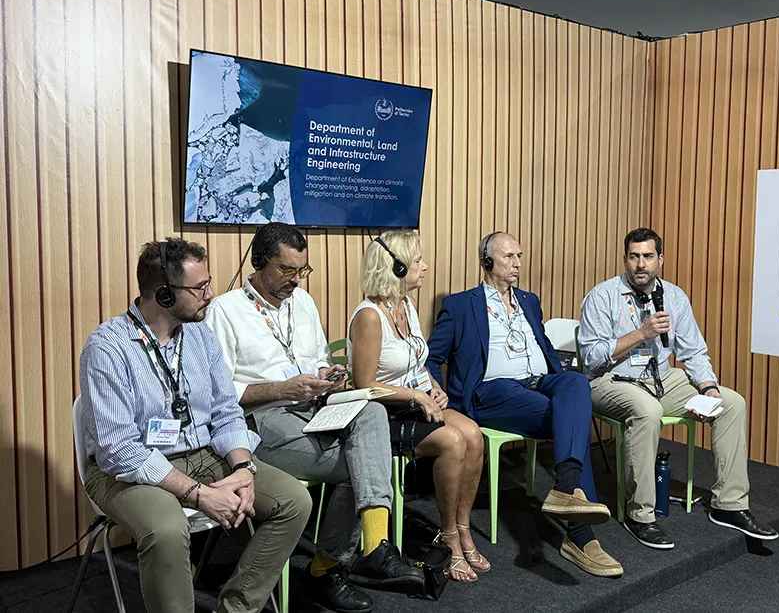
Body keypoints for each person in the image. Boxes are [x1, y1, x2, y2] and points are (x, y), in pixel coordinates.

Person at [78, 238, 310, 613]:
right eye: (200, 287)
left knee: (293, 501)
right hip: (125, 471)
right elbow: (118, 448)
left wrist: (242, 468)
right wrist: (198, 494)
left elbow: (225, 411)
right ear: (165, 295)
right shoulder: (108, 348)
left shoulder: (201, 335)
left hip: (202, 454)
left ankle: (236, 608)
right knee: (168, 530)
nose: (211, 294)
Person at [205, 223, 423, 613]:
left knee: (371, 408)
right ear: (258, 262)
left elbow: (320, 359)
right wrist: (282, 388)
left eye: (302, 270)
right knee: (365, 465)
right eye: (287, 270)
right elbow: (218, 394)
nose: (296, 279)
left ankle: (374, 545)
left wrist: (329, 375)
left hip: (315, 406)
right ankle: (328, 568)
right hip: (263, 420)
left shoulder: (302, 301)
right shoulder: (225, 311)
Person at [425, 232, 623, 578]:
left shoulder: (530, 301)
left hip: (537, 381)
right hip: (491, 391)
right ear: (487, 262)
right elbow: (431, 358)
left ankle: (566, 486)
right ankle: (580, 535)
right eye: (509, 257)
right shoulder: (459, 305)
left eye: (519, 256)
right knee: (570, 419)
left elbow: (545, 349)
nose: (518, 264)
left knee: (576, 384)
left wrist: (561, 381)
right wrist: (437, 395)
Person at [579, 227, 779, 549]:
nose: (640, 264)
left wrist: (708, 385)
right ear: (625, 259)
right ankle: (640, 514)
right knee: (648, 411)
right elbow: (591, 358)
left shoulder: (673, 296)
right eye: (634, 257)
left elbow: (694, 351)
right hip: (610, 379)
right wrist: (640, 334)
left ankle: (729, 505)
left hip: (661, 377)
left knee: (732, 402)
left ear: (660, 259)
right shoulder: (602, 296)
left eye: (647, 257)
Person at [348, 230, 489, 583]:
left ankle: (463, 526)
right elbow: (364, 384)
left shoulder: (406, 305)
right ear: (394, 267)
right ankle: (449, 539)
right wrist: (415, 396)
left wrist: (434, 387)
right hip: (383, 415)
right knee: (453, 442)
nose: (425, 267)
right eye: (417, 262)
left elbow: (416, 364)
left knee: (473, 435)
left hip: (417, 401)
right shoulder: (369, 315)